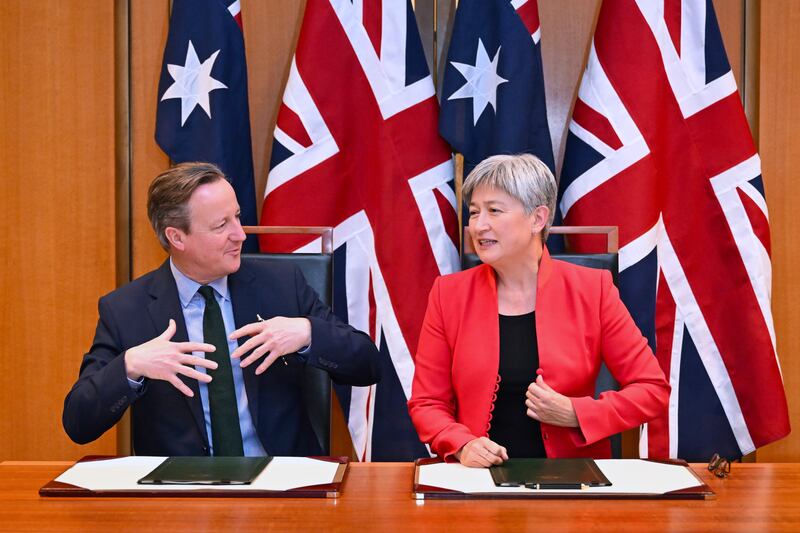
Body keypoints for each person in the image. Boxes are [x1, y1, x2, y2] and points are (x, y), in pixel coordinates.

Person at [63, 162, 380, 456]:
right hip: (181, 495)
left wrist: (308, 333)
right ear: (177, 237)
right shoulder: (127, 309)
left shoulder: (281, 286)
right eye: (220, 226)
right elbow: (78, 423)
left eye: (237, 217)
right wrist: (130, 366)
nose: (240, 234)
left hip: (281, 485)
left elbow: (367, 365)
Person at [408, 154, 669, 467]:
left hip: (572, 484)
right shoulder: (448, 295)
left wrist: (577, 413)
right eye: (474, 213)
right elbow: (427, 403)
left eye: (494, 210)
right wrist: (462, 444)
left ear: (538, 218)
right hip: (476, 484)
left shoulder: (592, 289)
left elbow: (652, 390)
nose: (478, 225)